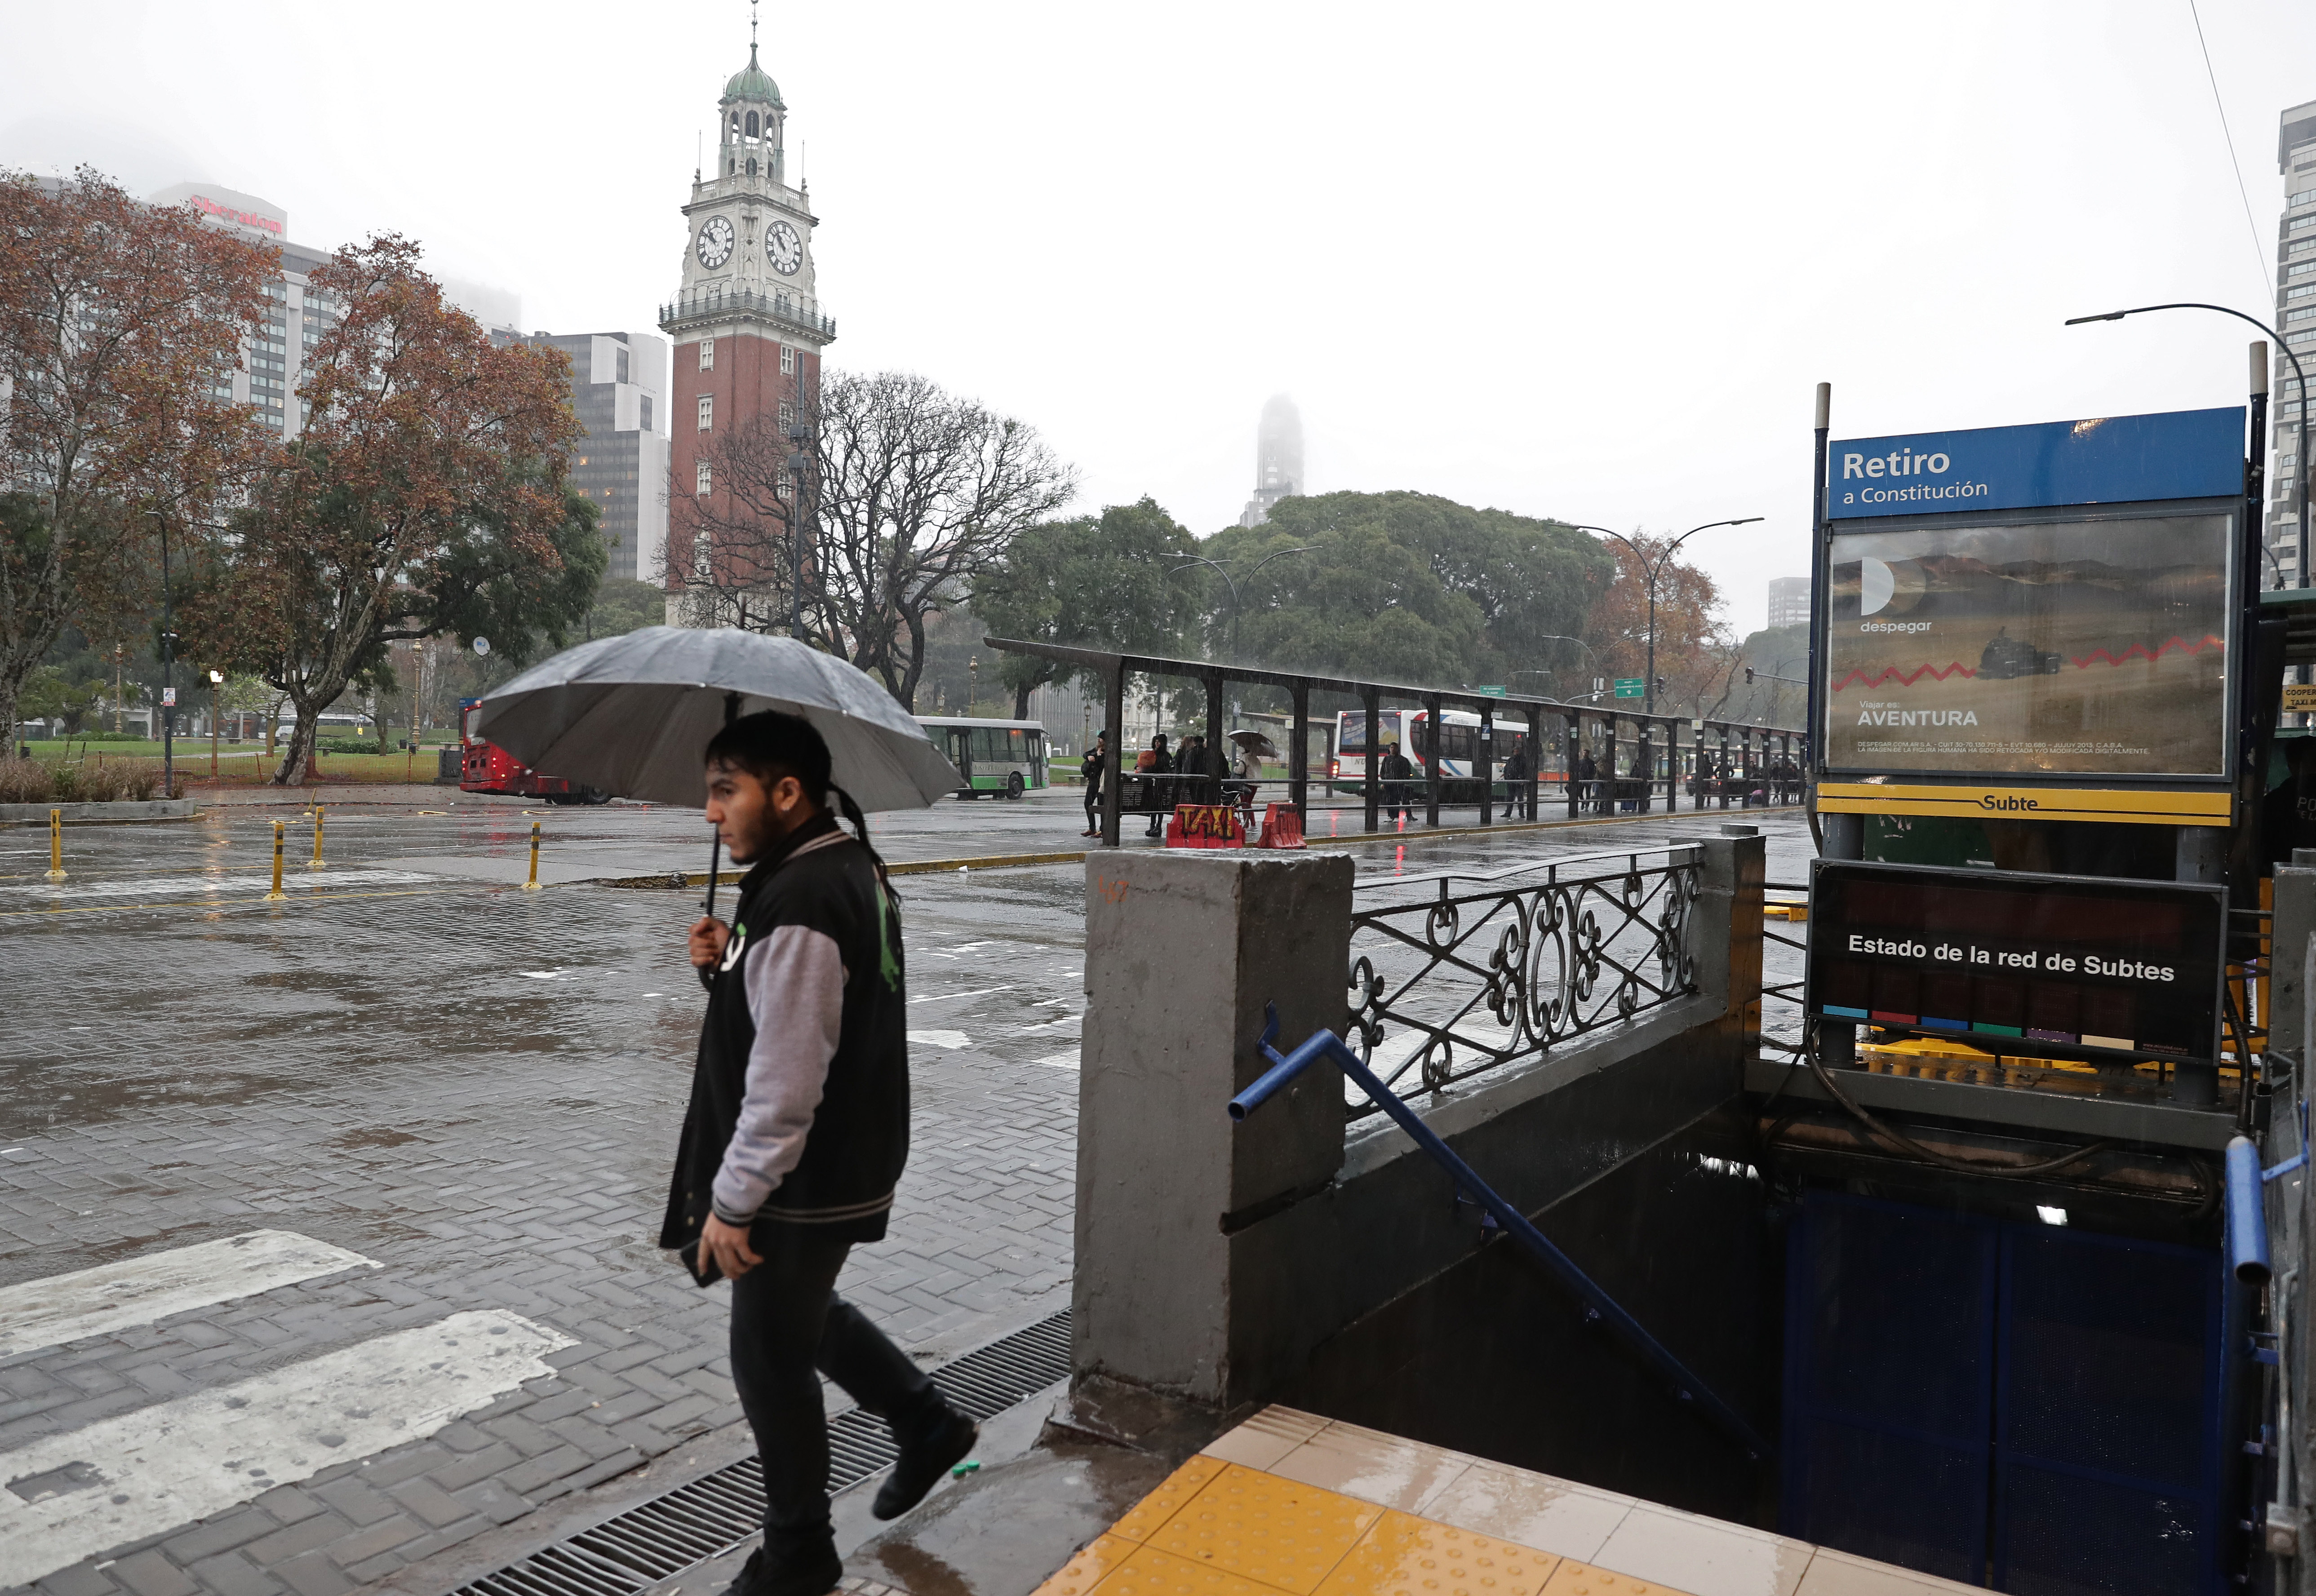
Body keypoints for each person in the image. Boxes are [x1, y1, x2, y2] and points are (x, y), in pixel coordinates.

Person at [667, 711, 976, 1596]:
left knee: (768, 1353)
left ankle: (799, 1552)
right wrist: (728, 965)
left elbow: (788, 1076)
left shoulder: (801, 899)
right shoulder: (844, 867)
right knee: (804, 1314)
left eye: (726, 789)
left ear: (787, 792)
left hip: (804, 1174)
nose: (711, 813)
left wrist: (733, 1202)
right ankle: (926, 1423)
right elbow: (801, 1010)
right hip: (847, 1158)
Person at [1138, 733, 1171, 836]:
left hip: (1157, 783)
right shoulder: (1165, 756)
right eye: (1156, 742)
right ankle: (1155, 826)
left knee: (1157, 805)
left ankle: (1156, 826)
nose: (1157, 744)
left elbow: (1157, 767)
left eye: (1159, 742)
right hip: (1159, 783)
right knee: (1156, 805)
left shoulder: (1159, 756)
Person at [1380, 740, 1415, 823]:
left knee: (1395, 799)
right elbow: (1383, 771)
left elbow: (1406, 772)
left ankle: (1396, 816)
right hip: (1389, 783)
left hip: (1397, 783)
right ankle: (1390, 816)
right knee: (1389, 800)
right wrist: (1384, 781)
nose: (1393, 749)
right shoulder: (1387, 759)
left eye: (1394, 748)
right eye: (1392, 747)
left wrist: (1402, 781)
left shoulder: (1402, 760)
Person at [1080, 730, 1108, 838]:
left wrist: (1097, 758)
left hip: (1102, 782)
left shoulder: (1108, 752)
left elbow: (1102, 764)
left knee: (1102, 806)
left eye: (1100, 739)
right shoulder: (1097, 750)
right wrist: (1092, 756)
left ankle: (1103, 829)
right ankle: (1092, 828)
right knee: (1088, 803)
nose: (1099, 741)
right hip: (1093, 781)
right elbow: (1086, 754)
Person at [1575, 748, 1599, 815]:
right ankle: (1583, 803)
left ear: (1588, 754)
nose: (1585, 754)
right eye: (1584, 753)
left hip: (1588, 779)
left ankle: (1586, 805)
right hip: (1582, 779)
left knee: (1588, 793)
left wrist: (1591, 777)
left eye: (1586, 753)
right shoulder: (1581, 762)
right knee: (1580, 792)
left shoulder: (1591, 762)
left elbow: (1594, 771)